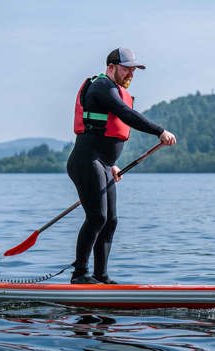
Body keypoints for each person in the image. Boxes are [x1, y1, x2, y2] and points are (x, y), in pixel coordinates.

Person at [67, 47, 177, 284]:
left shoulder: (113, 89)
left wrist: (111, 165)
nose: (131, 74)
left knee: (111, 220)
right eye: (126, 69)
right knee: (97, 217)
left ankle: (101, 276)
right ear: (111, 67)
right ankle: (79, 275)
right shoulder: (102, 86)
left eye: (133, 70)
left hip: (103, 164)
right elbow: (125, 114)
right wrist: (159, 131)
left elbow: (110, 131)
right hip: (86, 161)